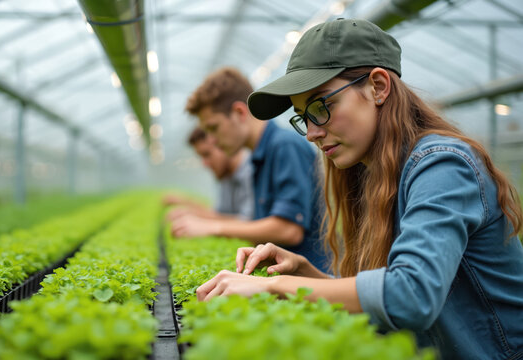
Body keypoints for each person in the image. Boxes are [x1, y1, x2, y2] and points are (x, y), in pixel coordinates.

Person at [195, 19, 523, 359]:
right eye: (302, 116)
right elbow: (387, 309)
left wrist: (274, 286)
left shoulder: (442, 166)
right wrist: (309, 275)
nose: (311, 132)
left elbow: (411, 296)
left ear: (378, 87)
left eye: (321, 107)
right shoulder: (373, 173)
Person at [170, 67, 328, 271]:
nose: (212, 141)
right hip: (287, 282)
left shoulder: (284, 146)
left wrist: (211, 227)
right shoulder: (258, 156)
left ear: (239, 112)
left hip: (314, 285)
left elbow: (289, 229)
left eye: (214, 128)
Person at [164, 126, 254, 220]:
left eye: (207, 154)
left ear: (222, 144)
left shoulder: (250, 170)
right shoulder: (225, 176)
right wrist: (185, 203)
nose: (204, 163)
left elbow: (248, 222)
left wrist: (193, 213)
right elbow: (219, 214)